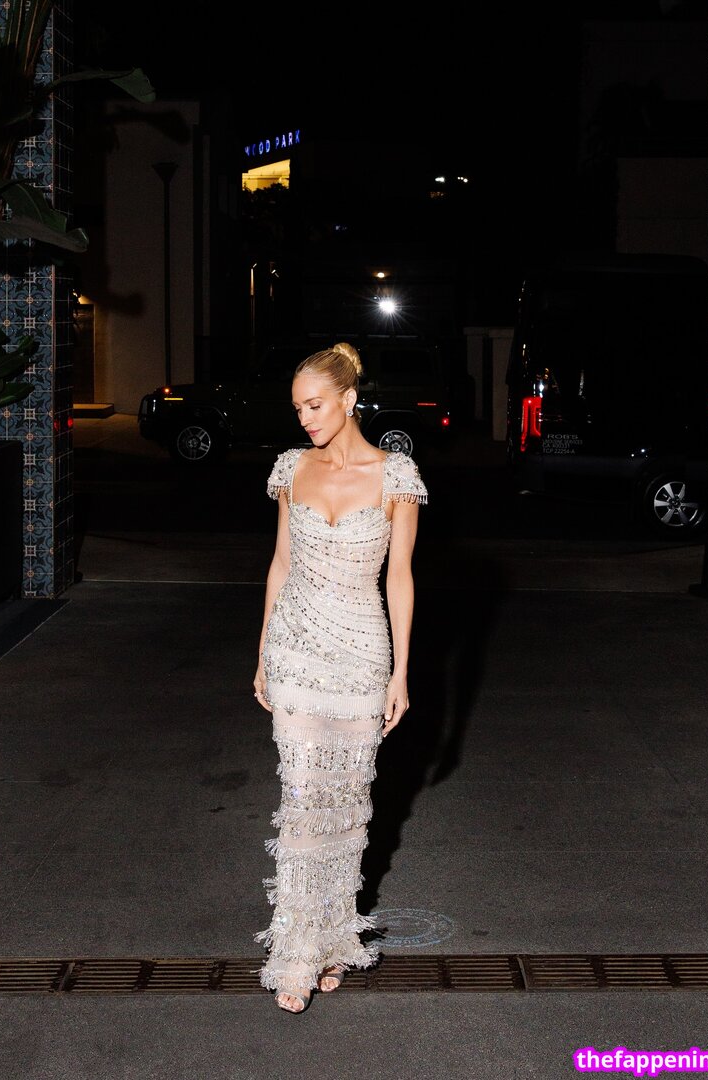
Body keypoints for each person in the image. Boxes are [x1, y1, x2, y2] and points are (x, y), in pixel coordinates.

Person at [252, 340, 428, 1014]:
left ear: (349, 399)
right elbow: (280, 563)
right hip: (296, 650)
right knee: (303, 802)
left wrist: (401, 673)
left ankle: (332, 940)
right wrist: (263, 651)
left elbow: (400, 577)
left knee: (347, 807)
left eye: (315, 405)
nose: (305, 418)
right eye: (298, 408)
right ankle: (296, 954)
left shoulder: (395, 477)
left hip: (360, 654)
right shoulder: (291, 468)